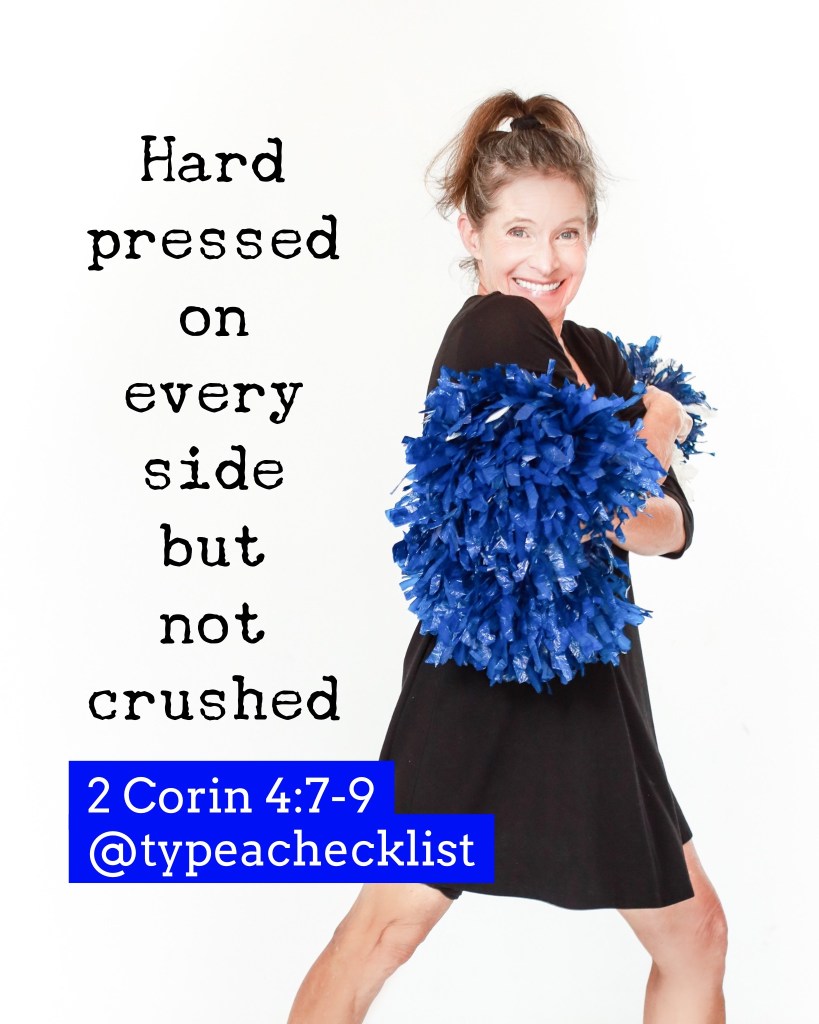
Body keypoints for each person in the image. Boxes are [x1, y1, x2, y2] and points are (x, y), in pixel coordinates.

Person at [288, 91, 727, 1024]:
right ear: (472, 232)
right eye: (518, 231)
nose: (545, 259)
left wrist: (631, 474)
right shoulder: (494, 329)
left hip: (592, 679)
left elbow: (670, 529)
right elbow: (596, 504)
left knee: (695, 934)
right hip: (484, 677)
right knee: (383, 932)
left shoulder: (597, 356)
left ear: (590, 236)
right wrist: (656, 425)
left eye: (567, 233)